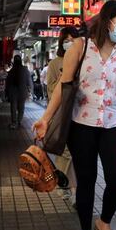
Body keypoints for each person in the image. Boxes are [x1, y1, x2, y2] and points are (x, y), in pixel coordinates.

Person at [33, 0, 116, 230]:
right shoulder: (80, 48)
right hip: (81, 125)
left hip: (113, 125)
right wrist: (45, 118)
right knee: (86, 181)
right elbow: (64, 85)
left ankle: (103, 224)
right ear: (108, 21)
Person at [47, 26, 79, 204]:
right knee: (65, 152)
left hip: (80, 114)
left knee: (76, 153)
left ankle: (68, 185)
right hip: (61, 113)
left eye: (73, 40)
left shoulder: (82, 61)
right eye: (66, 41)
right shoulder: (54, 63)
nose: (70, 44)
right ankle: (66, 185)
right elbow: (51, 90)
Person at [6, 55, 32, 129]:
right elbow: (29, 81)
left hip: (13, 92)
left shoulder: (11, 71)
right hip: (22, 92)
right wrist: (30, 90)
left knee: (13, 108)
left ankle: (14, 122)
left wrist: (7, 92)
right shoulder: (25, 70)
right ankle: (19, 121)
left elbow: (7, 83)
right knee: (21, 108)